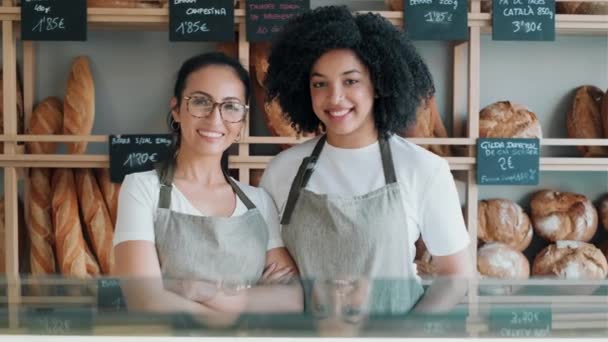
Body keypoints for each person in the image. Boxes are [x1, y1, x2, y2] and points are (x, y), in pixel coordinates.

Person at [260, 6, 474, 316]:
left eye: (351, 81)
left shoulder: (423, 169)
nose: (335, 98)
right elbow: (276, 270)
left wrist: (408, 334)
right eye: (320, 83)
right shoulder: (283, 170)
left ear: (379, 83)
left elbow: (456, 277)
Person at [113, 52, 299, 317]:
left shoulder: (259, 201)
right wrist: (242, 307)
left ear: (242, 121)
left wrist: (203, 292)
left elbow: (291, 300)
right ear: (176, 109)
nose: (215, 119)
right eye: (201, 102)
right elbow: (145, 301)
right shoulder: (142, 189)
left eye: (231, 106)